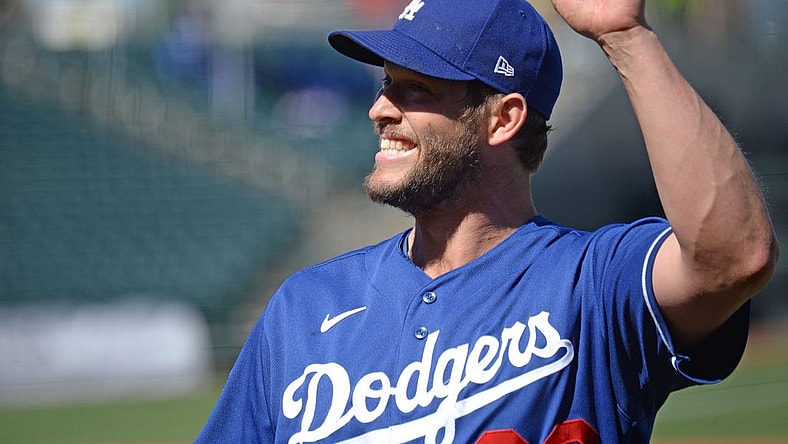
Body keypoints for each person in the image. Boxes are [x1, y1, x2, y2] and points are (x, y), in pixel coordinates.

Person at [196, 0, 779, 442]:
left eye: (416, 88)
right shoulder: (302, 309)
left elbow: (735, 257)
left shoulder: (592, 284)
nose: (379, 108)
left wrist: (626, 39)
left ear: (503, 119)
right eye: (386, 83)